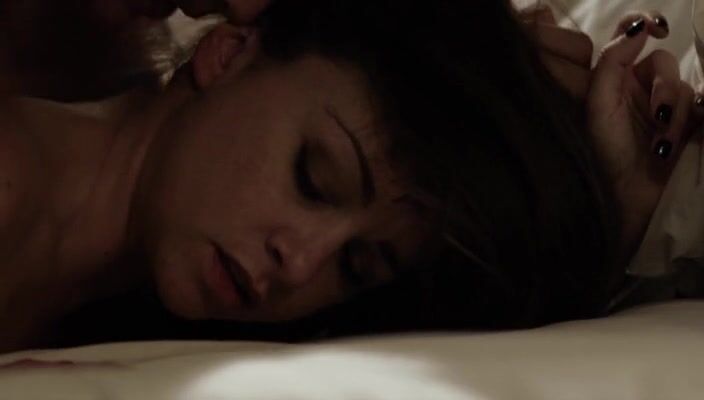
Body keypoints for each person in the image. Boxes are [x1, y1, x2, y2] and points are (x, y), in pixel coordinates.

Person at [0, 0, 698, 352]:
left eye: (356, 267)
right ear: (228, 53)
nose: (301, 264)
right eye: (314, 177)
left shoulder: (134, 321)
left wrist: (612, 215)